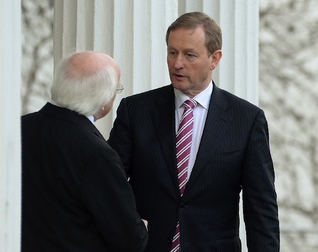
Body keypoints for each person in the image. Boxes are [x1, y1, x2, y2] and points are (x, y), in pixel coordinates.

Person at [108, 12, 280, 252]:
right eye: (172, 52)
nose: (177, 63)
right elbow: (107, 184)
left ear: (214, 59)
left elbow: (261, 208)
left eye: (189, 55)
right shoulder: (135, 110)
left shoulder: (247, 119)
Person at [21, 51, 148, 252]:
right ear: (104, 98)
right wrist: (142, 227)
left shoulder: (20, 128)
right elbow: (130, 239)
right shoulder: (97, 153)